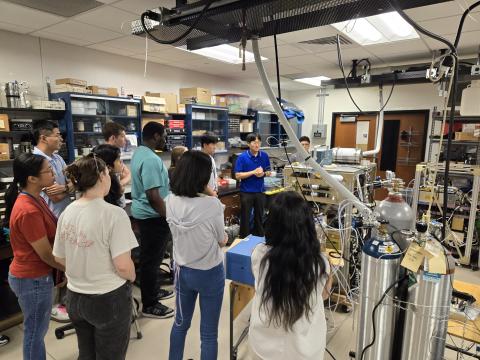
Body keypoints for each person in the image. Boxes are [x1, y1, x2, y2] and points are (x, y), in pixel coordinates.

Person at [53, 155, 138, 360]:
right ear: (101, 176)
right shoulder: (113, 214)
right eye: (108, 173)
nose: (110, 177)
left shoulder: (67, 212)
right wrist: (132, 277)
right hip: (107, 298)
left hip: (75, 297)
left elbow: (59, 257)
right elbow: (123, 266)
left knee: (87, 353)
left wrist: (83, 269)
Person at [249, 191, 331, 360]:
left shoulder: (259, 254)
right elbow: (324, 294)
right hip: (304, 350)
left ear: (271, 224)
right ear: (308, 226)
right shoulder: (319, 262)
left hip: (263, 346)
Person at [166, 151, 227, 360]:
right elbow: (222, 240)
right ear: (202, 176)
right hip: (209, 272)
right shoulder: (212, 205)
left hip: (182, 270)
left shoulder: (170, 200)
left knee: (180, 324)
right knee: (209, 334)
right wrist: (212, 196)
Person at [6, 153, 65, 360]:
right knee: (35, 332)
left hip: (36, 277)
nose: (53, 173)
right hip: (33, 279)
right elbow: (46, 255)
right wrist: (69, 267)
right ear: (32, 178)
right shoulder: (28, 209)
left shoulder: (36, 197)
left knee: (37, 328)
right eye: (48, 170)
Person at [131, 122, 174, 318]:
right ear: (156, 136)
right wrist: (170, 217)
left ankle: (154, 291)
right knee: (152, 260)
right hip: (153, 216)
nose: (165, 139)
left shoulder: (140, 152)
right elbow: (154, 196)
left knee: (152, 259)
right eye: (164, 135)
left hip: (146, 214)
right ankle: (149, 304)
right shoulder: (150, 159)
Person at [32, 120, 73, 322]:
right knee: (57, 263)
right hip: (50, 219)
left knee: (66, 260)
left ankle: (66, 303)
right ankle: (57, 306)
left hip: (64, 217)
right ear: (43, 137)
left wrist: (67, 187)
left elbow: (72, 180)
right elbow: (56, 196)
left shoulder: (56, 158)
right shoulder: (37, 162)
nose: (61, 138)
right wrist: (69, 188)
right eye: (57, 134)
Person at [234, 133, 271, 238]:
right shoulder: (242, 157)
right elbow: (238, 175)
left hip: (260, 191)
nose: (257, 145)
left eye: (259, 142)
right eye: (254, 142)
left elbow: (268, 171)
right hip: (246, 192)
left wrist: (263, 173)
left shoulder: (264, 156)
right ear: (248, 144)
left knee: (259, 216)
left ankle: (258, 237)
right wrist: (253, 172)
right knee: (245, 217)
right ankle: (244, 237)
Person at [103, 122, 131, 207]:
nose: (125, 139)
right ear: (113, 138)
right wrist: (117, 185)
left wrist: (118, 184)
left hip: (119, 202)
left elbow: (128, 174)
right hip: (109, 204)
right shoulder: (102, 154)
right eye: (122, 136)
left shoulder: (116, 154)